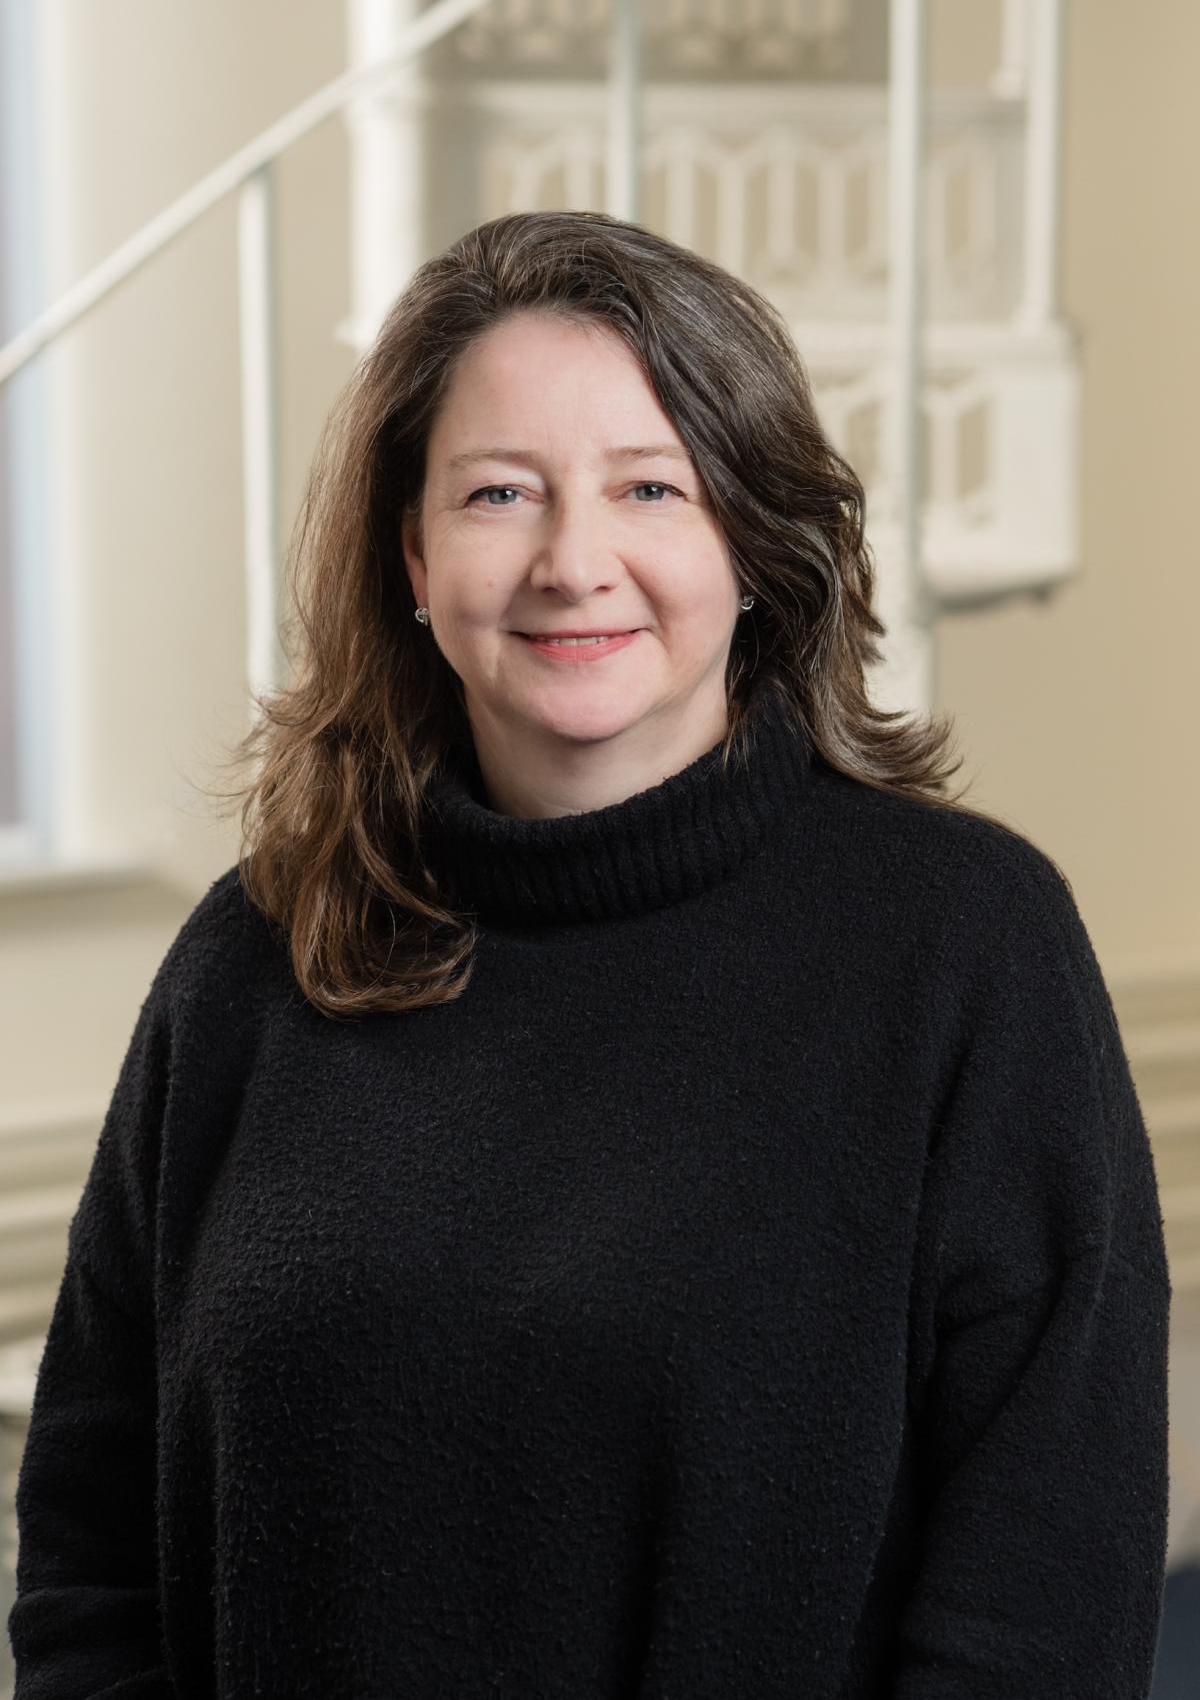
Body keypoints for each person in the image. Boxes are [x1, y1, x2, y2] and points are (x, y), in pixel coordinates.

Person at [7, 211, 1171, 1698]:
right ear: (414, 556)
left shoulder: (964, 951)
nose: (575, 560)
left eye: (649, 487)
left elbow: (1041, 1605)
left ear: (752, 540)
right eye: (500, 491)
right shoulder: (255, 955)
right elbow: (92, 1560)